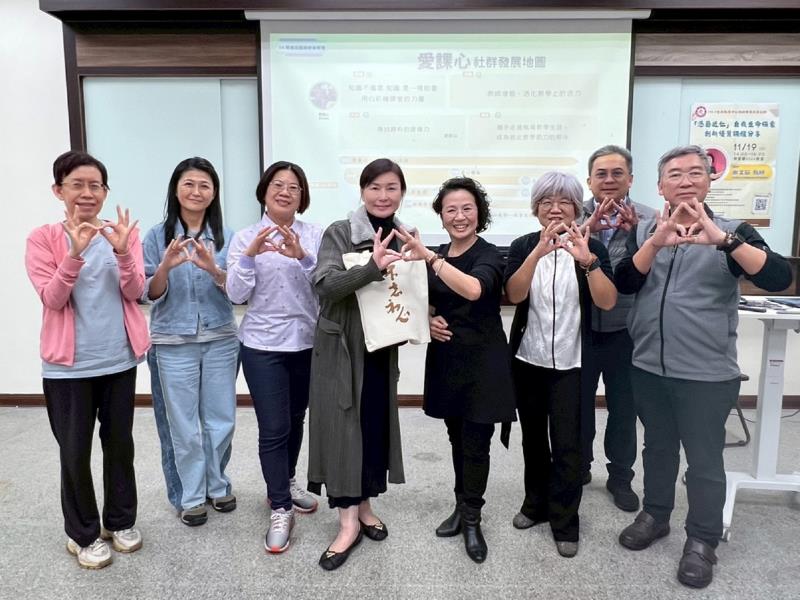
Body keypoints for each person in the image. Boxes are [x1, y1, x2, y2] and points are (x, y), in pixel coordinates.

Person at [614, 145, 792, 588]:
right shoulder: (646, 231)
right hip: (648, 365)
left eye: (696, 172)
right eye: (674, 174)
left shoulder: (733, 230)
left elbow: (778, 277)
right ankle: (656, 515)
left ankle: (702, 539)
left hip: (706, 373)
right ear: (660, 187)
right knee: (657, 448)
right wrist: (655, 241)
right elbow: (626, 282)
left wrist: (724, 241)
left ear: (709, 182)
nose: (686, 180)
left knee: (704, 460)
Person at [25, 150, 149, 569]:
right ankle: (82, 534)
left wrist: (123, 252)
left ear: (105, 192)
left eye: (95, 185)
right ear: (58, 190)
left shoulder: (123, 234)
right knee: (74, 453)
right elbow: (52, 298)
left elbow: (135, 292)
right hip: (67, 369)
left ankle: (120, 521)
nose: (87, 193)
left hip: (118, 361)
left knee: (120, 447)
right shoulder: (43, 238)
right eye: (77, 184)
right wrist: (74, 254)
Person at [396, 177, 516, 563]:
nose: (459, 216)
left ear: (479, 213)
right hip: (448, 360)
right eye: (451, 209)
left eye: (467, 208)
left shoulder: (489, 254)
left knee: (477, 443)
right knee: (456, 439)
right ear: (441, 215)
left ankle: (473, 520)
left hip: (484, 362)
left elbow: (474, 290)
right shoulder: (438, 253)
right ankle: (461, 507)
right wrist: (427, 319)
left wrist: (431, 259)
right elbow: (425, 300)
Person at [504, 171, 617, 558]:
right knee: (533, 440)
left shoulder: (591, 246)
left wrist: (587, 262)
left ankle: (565, 521)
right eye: (546, 201)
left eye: (564, 201)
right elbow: (515, 294)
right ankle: (534, 504)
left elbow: (607, 301)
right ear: (535, 208)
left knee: (568, 444)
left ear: (576, 207)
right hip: (528, 360)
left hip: (573, 364)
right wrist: (537, 253)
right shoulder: (522, 245)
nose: (555, 208)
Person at [308, 158, 410, 570]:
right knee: (343, 432)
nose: (383, 196)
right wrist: (371, 267)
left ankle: (365, 506)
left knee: (372, 428)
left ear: (401, 192)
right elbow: (325, 286)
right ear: (362, 191)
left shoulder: (404, 235)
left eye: (391, 187)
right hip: (342, 348)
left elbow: (407, 292)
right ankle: (347, 522)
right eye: (375, 187)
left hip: (380, 348)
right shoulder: (340, 232)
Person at [227, 161, 322, 553]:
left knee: (296, 418)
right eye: (278, 185)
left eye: (294, 187)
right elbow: (235, 294)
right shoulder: (244, 237)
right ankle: (280, 506)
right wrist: (249, 257)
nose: (285, 192)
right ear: (264, 192)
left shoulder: (315, 235)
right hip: (262, 345)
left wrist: (304, 257)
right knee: (273, 427)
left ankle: (285, 481)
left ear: (302, 196)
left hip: (307, 342)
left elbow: (327, 287)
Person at [143, 157, 238, 527]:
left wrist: (213, 269)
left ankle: (217, 485)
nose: (196, 191)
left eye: (204, 185)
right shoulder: (156, 237)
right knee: (182, 425)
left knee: (221, 419)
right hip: (172, 342)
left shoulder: (228, 236)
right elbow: (148, 294)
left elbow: (238, 292)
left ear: (214, 193)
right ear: (176, 190)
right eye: (189, 184)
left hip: (220, 337)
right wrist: (165, 267)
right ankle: (191, 496)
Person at [579, 145, 655, 511]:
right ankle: (578, 467)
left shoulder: (651, 219)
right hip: (579, 330)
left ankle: (621, 476)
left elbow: (656, 268)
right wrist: (586, 229)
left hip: (628, 330)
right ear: (589, 180)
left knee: (624, 409)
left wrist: (638, 232)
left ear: (631, 179)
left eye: (617, 173)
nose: (609, 180)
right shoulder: (572, 214)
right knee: (577, 406)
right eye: (601, 174)